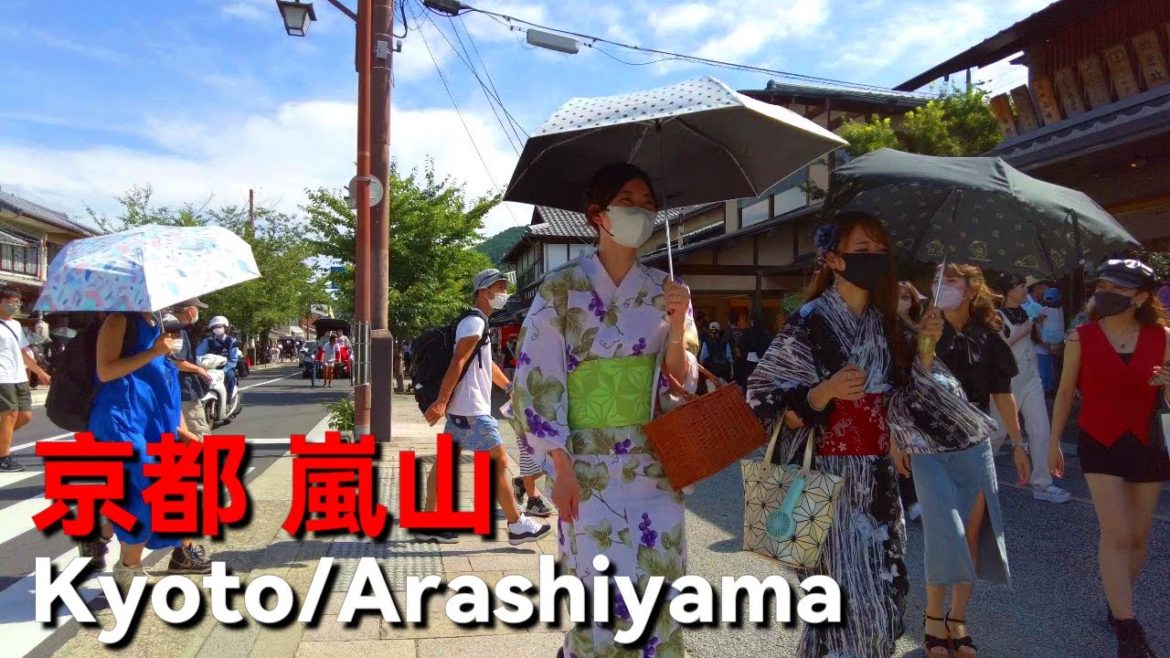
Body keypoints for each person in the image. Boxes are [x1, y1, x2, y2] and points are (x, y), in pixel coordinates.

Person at [512, 163, 698, 658]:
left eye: (647, 202)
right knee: (597, 589)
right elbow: (536, 380)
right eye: (627, 200)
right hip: (585, 465)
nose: (640, 210)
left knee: (660, 584)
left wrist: (678, 327)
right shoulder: (560, 289)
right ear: (598, 215)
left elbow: (680, 383)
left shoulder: (667, 289)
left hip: (655, 462)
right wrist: (559, 465)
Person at [747, 211, 909, 658]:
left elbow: (902, 393)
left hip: (875, 480)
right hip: (826, 480)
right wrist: (823, 392)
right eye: (862, 250)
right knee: (844, 603)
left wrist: (926, 346)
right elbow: (762, 395)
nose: (874, 258)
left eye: (880, 250)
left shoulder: (885, 322)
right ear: (834, 260)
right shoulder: (810, 321)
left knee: (882, 596)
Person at [1049, 258, 1168, 658]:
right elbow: (1065, 392)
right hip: (1098, 440)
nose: (1106, 294)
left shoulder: (1164, 337)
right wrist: (1051, 443)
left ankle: (1117, 601)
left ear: (1142, 296)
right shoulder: (1081, 336)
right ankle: (1128, 631)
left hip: (1148, 441)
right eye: (1103, 285)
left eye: (1118, 288)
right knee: (1116, 533)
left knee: (1137, 539)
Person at [919, 263, 1031, 658]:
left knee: (969, 535)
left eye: (950, 281)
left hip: (976, 444)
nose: (940, 287)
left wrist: (1019, 444)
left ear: (970, 290)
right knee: (941, 531)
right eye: (937, 280)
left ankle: (958, 617)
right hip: (930, 444)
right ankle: (933, 617)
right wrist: (926, 342)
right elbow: (913, 383)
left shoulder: (990, 338)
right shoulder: (923, 330)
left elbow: (1004, 394)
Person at [420, 268, 551, 546]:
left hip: (464, 410)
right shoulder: (475, 323)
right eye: (499, 288)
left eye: (504, 287)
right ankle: (517, 526)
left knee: (445, 465)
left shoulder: (479, 323)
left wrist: (508, 387)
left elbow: (485, 363)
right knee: (498, 462)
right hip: (472, 411)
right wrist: (441, 401)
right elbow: (458, 361)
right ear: (483, 291)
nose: (504, 293)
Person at [91, 311, 208, 592]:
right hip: (121, 422)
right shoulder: (120, 321)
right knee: (153, 487)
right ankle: (128, 564)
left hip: (151, 425)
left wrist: (181, 431)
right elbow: (105, 371)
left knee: (153, 491)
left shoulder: (157, 323)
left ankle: (106, 535)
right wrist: (154, 350)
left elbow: (165, 384)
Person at [991, 274, 1071, 503]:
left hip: (1030, 377)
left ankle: (1042, 483)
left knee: (1040, 429)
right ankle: (976, 476)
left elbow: (1037, 339)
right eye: (1019, 286)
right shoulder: (995, 317)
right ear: (1008, 291)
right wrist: (1026, 328)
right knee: (997, 432)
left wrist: (1038, 324)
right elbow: (1000, 346)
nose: (1024, 290)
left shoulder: (1029, 311)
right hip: (1005, 382)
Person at [0, 289, 51, 472]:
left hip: (19, 376)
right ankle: (3, 458)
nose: (16, 305)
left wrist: (41, 373)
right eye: (11, 301)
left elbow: (23, 353)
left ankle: (1, 446)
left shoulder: (15, 325)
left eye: (18, 302)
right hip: (2, 378)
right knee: (10, 414)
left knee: (25, 416)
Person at [894, 281, 925, 521]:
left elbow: (927, 359)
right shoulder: (884, 326)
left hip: (917, 391)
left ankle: (913, 497)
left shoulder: (919, 325)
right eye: (898, 296)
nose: (902, 300)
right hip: (895, 391)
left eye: (907, 296)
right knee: (902, 446)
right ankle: (911, 498)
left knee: (913, 448)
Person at [196, 316, 239, 400]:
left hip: (226, 367)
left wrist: (223, 370)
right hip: (211, 367)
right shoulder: (208, 340)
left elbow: (233, 360)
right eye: (215, 327)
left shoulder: (232, 341)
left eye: (219, 326)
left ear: (225, 328)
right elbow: (198, 354)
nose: (217, 329)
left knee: (230, 376)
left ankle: (228, 401)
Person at [699, 321, 732, 390]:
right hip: (724, 373)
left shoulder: (706, 342)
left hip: (711, 374)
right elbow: (729, 358)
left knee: (712, 395)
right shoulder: (725, 342)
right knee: (725, 394)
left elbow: (701, 359)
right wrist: (731, 369)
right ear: (719, 331)